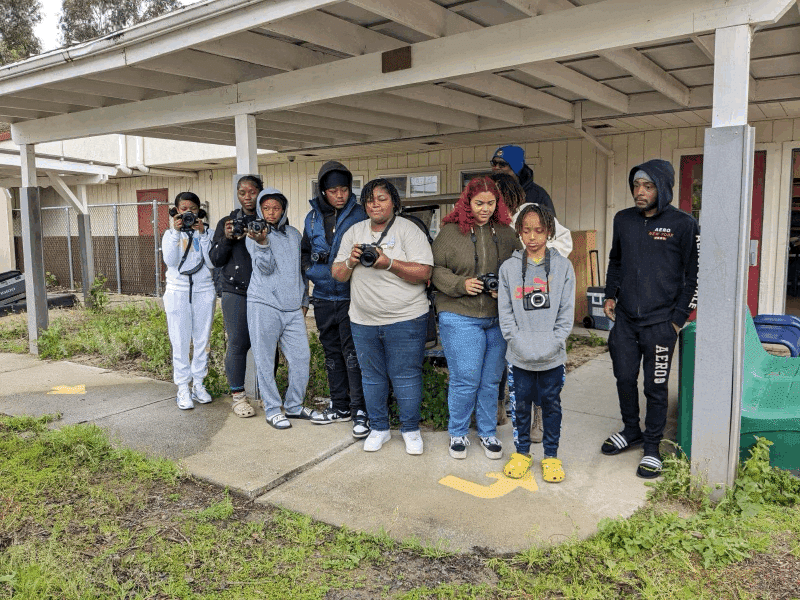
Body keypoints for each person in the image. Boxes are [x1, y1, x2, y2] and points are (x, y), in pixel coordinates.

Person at [601, 159, 699, 479]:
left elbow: (694, 275)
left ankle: (653, 447)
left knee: (655, 387)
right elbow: (616, 261)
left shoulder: (683, 224)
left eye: (647, 186)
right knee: (625, 379)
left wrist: (677, 318)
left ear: (663, 188)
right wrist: (610, 295)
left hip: (661, 322)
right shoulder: (623, 220)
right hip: (626, 321)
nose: (639, 192)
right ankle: (632, 430)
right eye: (636, 186)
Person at [331, 179, 433, 455]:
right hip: (363, 320)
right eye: (369, 199)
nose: (375, 204)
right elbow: (337, 275)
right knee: (371, 376)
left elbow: (424, 273)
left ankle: (410, 430)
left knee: (406, 376)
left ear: (394, 202)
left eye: (382, 198)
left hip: (406, 317)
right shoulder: (354, 231)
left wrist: (387, 262)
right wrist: (351, 261)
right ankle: (379, 428)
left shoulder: (408, 230)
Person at [432, 176, 518, 460]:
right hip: (459, 315)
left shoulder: (506, 232)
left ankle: (487, 433)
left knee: (491, 380)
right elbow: (434, 270)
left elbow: (518, 269)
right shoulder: (450, 232)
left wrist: (503, 290)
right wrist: (461, 284)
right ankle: (457, 432)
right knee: (465, 378)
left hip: (496, 318)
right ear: (467, 202)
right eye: (479, 203)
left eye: (491, 203)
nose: (485, 209)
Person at [498, 204, 575, 482]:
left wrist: (553, 343)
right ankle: (521, 452)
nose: (532, 237)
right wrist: (516, 342)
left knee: (551, 405)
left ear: (550, 232)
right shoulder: (508, 268)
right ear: (518, 231)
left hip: (552, 355)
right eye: (527, 230)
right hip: (518, 355)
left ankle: (551, 456)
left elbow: (566, 313)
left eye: (539, 231)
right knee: (520, 406)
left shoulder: (563, 267)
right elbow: (505, 314)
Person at [301, 161, 370, 438]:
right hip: (323, 296)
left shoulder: (360, 213)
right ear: (324, 192)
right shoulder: (312, 217)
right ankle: (340, 406)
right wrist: (311, 270)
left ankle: (359, 410)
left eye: (343, 189)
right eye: (333, 191)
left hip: (352, 296)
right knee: (331, 352)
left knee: (353, 353)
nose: (339, 195)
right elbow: (305, 250)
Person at [246, 188, 317, 429]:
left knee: (301, 358)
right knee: (265, 360)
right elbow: (264, 269)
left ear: (283, 209)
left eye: (276, 208)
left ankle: (295, 406)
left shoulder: (294, 235)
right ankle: (273, 409)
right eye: (266, 208)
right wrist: (263, 242)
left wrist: (304, 301)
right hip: (263, 303)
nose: (271, 212)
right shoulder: (254, 235)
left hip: (293, 307)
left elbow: (301, 270)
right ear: (259, 210)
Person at [210, 175, 262, 418]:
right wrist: (228, 238)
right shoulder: (227, 222)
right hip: (235, 291)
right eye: (243, 192)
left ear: (260, 193)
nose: (248, 197)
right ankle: (238, 397)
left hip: (264, 293)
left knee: (266, 345)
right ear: (238, 195)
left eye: (252, 192)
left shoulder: (268, 219)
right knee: (238, 344)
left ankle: (267, 395)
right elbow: (215, 259)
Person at [162, 192, 216, 411]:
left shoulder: (208, 232)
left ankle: (199, 384)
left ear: (199, 210)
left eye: (193, 208)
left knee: (202, 340)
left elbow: (212, 263)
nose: (188, 213)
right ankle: (183, 387)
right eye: (183, 209)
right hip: (178, 291)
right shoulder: (169, 234)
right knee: (180, 341)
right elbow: (171, 262)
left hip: (204, 289)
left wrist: (202, 235)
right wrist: (176, 233)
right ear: (176, 211)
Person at [491, 145, 557, 218]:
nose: (496, 167)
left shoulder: (537, 195)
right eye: (494, 163)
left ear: (515, 167)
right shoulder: (487, 190)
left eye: (502, 164)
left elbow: (550, 224)